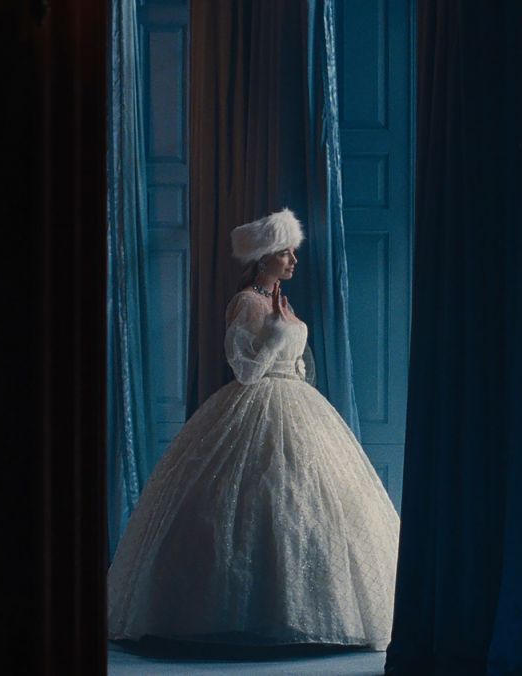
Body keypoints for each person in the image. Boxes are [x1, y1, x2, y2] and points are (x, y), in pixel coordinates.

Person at [107, 208, 400, 651]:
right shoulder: (246, 303)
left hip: (297, 404)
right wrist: (277, 336)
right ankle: (242, 614)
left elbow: (301, 367)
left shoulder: (281, 301)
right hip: (257, 401)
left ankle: (301, 612)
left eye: (293, 252)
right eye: (286, 253)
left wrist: (288, 345)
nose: (293, 261)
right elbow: (245, 371)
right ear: (264, 257)